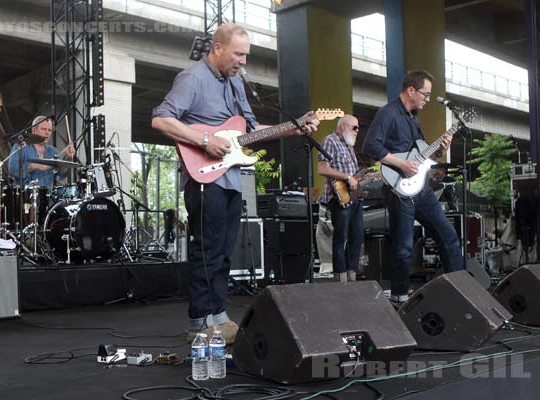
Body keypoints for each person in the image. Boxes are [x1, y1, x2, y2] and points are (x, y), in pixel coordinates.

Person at [151, 23, 319, 344]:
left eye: (246, 55)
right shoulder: (193, 78)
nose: (243, 61)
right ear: (217, 48)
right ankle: (199, 323)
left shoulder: (236, 84)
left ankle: (218, 317)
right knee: (207, 251)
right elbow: (161, 119)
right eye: (238, 54)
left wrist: (295, 128)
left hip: (229, 179)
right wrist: (204, 139)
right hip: (204, 178)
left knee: (225, 252)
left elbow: (253, 131)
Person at [362, 70, 463, 306]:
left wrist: (439, 150)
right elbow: (370, 146)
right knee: (403, 248)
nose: (427, 100)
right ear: (411, 91)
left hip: (421, 189)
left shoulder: (412, 118)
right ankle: (400, 297)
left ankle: (458, 290)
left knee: (449, 237)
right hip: (398, 189)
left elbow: (421, 154)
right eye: (425, 95)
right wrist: (400, 163)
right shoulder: (388, 113)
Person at [317, 115, 364, 283]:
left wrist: (368, 177)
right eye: (354, 127)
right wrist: (347, 177)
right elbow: (322, 168)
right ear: (343, 126)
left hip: (354, 197)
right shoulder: (330, 141)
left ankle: (351, 275)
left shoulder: (349, 147)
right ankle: (340, 276)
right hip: (338, 198)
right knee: (341, 237)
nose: (357, 131)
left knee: (357, 236)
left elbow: (355, 177)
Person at [8, 116, 75, 188]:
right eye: (43, 129)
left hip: (46, 196)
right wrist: (32, 166)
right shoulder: (21, 146)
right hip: (24, 195)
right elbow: (12, 170)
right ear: (34, 130)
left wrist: (68, 157)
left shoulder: (53, 151)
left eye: (49, 130)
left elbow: (62, 174)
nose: (47, 133)